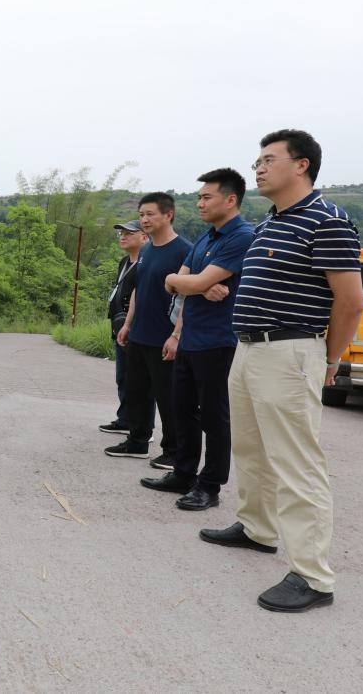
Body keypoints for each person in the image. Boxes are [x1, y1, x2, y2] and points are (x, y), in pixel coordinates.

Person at [200, 130, 363, 613]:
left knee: (297, 463)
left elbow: (351, 302)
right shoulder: (271, 223)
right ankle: (257, 528)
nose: (258, 168)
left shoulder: (327, 221)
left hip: (290, 352)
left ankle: (313, 576)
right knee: (249, 447)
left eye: (269, 160)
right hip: (249, 350)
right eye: (257, 161)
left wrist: (329, 361)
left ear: (302, 165)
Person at [140, 169, 255, 511]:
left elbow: (186, 283)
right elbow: (176, 283)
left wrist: (191, 283)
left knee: (214, 418)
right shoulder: (206, 238)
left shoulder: (242, 236)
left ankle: (210, 485)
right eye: (200, 197)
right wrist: (194, 283)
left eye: (207, 197)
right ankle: (183, 473)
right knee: (183, 409)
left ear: (230, 200)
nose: (200, 203)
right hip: (190, 338)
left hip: (219, 342)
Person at [106, 193, 192, 466]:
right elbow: (137, 291)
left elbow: (188, 298)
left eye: (150, 214)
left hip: (164, 337)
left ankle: (173, 452)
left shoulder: (184, 251)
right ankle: (137, 441)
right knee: (136, 391)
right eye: (141, 214)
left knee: (168, 398)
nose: (144, 219)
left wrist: (176, 335)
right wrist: (128, 325)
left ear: (168, 215)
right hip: (139, 335)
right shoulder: (145, 251)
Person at [99, 220, 146, 435]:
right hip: (119, 327)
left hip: (137, 328)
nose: (123, 237)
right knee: (123, 377)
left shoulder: (146, 263)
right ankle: (125, 419)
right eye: (121, 234)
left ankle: (142, 426)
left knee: (139, 380)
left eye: (129, 233)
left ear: (144, 237)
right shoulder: (124, 262)